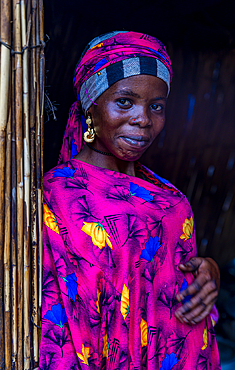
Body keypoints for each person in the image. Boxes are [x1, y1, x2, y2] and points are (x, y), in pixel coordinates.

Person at [40, 31, 221, 369]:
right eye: (125, 101)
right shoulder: (59, 197)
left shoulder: (172, 201)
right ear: (90, 106)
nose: (143, 119)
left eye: (156, 107)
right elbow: (58, 315)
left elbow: (179, 295)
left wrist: (209, 276)